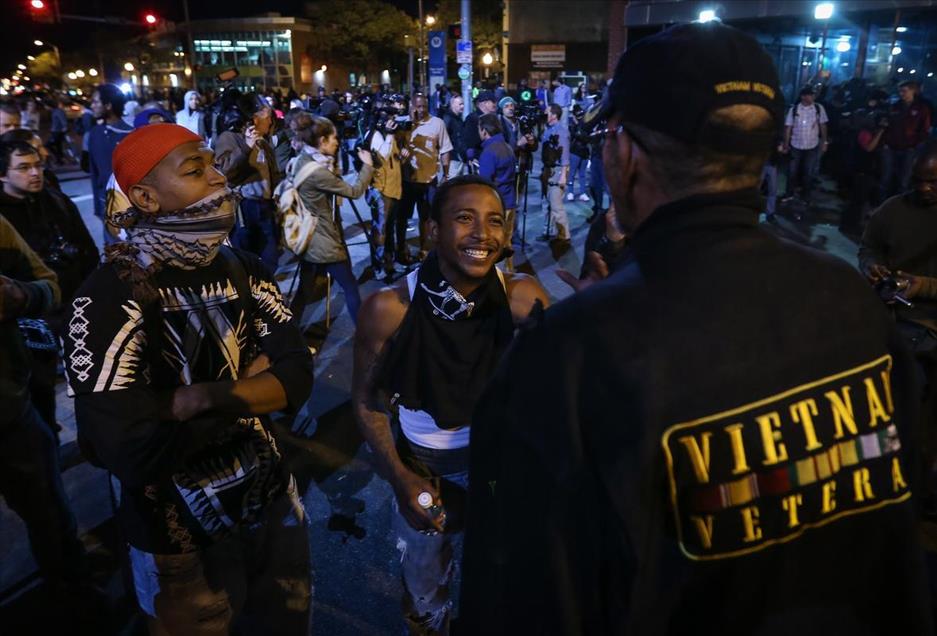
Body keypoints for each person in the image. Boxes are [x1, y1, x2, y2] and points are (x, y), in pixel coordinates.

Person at [461, 21, 933, 635]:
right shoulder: (853, 302)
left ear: (627, 155)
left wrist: (601, 327)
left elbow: (519, 596)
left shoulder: (567, 358)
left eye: (610, 136)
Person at [65, 123, 314, 634]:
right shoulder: (108, 296)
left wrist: (198, 398)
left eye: (214, 164)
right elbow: (128, 451)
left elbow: (297, 375)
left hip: (269, 497)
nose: (219, 178)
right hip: (174, 535)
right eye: (196, 170)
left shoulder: (246, 268)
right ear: (145, 197)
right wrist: (251, 390)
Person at [353, 175, 549, 636]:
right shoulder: (389, 308)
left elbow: (561, 385)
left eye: (494, 221)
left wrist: (591, 319)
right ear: (432, 230)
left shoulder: (524, 298)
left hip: (499, 463)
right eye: (465, 218)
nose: (483, 233)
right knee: (425, 596)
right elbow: (366, 401)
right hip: (424, 466)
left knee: (505, 581)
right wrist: (400, 477)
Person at [0, 213, 95, 618]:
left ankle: (73, 592)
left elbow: (48, 285)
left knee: (49, 514)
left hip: (10, 413)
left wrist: (20, 296)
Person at [0, 139, 98, 438]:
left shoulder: (58, 201)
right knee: (39, 389)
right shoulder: (4, 221)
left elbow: (88, 252)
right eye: (23, 168)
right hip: (30, 321)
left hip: (73, 307)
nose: (34, 173)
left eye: (37, 165)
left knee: (91, 380)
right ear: (3, 174)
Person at [860, 140, 937, 387]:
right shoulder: (893, 208)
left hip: (925, 325)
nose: (923, 188)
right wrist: (871, 266)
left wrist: (922, 286)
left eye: (932, 182)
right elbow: (869, 248)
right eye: (917, 180)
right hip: (886, 312)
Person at [288, 113, 373, 326]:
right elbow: (354, 191)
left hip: (306, 236)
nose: (337, 142)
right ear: (322, 141)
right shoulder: (318, 173)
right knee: (350, 286)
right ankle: (365, 334)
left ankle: (288, 331)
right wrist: (367, 166)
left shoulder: (302, 159)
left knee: (304, 289)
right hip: (323, 240)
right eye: (334, 138)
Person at [214, 92, 282, 271]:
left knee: (270, 257)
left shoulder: (264, 142)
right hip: (244, 207)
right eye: (267, 117)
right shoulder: (230, 137)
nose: (271, 122)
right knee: (245, 258)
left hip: (265, 205)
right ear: (255, 119)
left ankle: (265, 286)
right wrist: (246, 147)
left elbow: (272, 172)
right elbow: (225, 171)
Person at [399, 94, 452, 263]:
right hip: (407, 180)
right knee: (402, 217)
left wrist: (446, 174)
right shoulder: (403, 124)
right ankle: (401, 249)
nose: (421, 110)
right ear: (411, 106)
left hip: (429, 181)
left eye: (424, 106)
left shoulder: (437, 123)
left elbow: (445, 150)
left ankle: (425, 249)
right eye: (418, 107)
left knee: (427, 217)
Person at [88, 84, 132, 236]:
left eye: (96, 102)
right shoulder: (95, 133)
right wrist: (98, 207)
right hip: (107, 204)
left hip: (132, 205)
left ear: (108, 105)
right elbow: (94, 173)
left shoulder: (130, 134)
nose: (92, 106)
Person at [881, 80, 933, 200]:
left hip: (909, 148)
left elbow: (925, 129)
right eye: (900, 91)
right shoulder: (895, 106)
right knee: (886, 176)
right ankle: (882, 204)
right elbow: (887, 124)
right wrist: (885, 142)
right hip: (891, 146)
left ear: (913, 91)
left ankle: (900, 204)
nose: (901, 93)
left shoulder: (922, 108)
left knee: (904, 179)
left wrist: (914, 145)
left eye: (904, 91)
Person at [366, 111, 403, 279]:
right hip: (380, 191)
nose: (393, 123)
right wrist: (389, 135)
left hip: (393, 188)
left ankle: (390, 262)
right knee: (380, 230)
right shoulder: (375, 135)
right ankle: (379, 266)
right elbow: (383, 156)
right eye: (390, 120)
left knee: (389, 229)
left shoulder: (390, 135)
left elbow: (393, 158)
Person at [477, 114, 518, 259]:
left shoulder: (489, 152)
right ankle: (509, 271)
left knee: (496, 246)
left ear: (484, 131)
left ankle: (498, 272)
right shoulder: (507, 147)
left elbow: (485, 183)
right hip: (510, 202)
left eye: (479, 129)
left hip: (496, 205)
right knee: (506, 243)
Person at [782, 85, 828, 208]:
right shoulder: (794, 109)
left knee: (808, 173)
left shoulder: (818, 108)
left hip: (812, 145)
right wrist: (786, 143)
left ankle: (805, 196)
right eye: (810, 95)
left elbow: (823, 125)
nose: (813, 97)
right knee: (792, 171)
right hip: (796, 145)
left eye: (813, 95)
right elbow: (788, 127)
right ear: (803, 96)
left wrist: (824, 142)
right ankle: (789, 194)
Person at [539, 104, 571, 242]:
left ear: (553, 115)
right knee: (546, 204)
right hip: (547, 170)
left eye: (546, 112)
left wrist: (563, 176)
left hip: (557, 171)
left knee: (556, 206)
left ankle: (564, 236)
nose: (544, 114)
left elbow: (565, 156)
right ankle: (548, 231)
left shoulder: (561, 132)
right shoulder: (548, 130)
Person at [462, 90, 497, 166]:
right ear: (484, 103)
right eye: (493, 101)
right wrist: (473, 157)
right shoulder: (472, 119)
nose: (495, 104)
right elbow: (469, 142)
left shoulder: (492, 118)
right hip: (479, 160)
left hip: (491, 158)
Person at [566, 105, 591, 203]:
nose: (580, 117)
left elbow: (588, 137)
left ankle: (583, 193)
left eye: (581, 115)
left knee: (582, 174)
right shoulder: (572, 125)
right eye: (578, 115)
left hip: (584, 152)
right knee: (572, 173)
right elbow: (577, 135)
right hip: (575, 151)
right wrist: (577, 124)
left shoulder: (587, 124)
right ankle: (570, 192)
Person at [443, 95, 466, 179]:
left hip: (460, 158)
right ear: (452, 104)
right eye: (460, 104)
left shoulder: (459, 119)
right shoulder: (448, 119)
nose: (462, 106)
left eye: (463, 104)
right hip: (453, 159)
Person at [47, 98, 72, 166]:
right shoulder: (54, 111)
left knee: (49, 145)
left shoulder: (57, 111)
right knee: (58, 146)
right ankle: (60, 160)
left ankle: (60, 158)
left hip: (57, 132)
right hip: (56, 131)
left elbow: (63, 121)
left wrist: (65, 128)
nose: (46, 108)